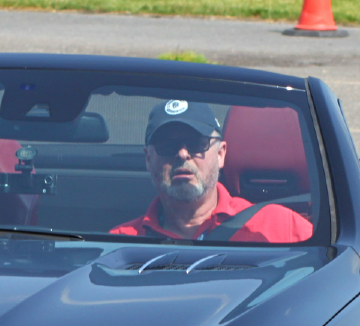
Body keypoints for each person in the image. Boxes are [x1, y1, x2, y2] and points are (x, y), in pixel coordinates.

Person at [110, 100, 312, 243]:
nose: (182, 154)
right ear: (148, 159)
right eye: (167, 145)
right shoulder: (121, 241)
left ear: (221, 154)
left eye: (197, 143)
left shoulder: (282, 226)